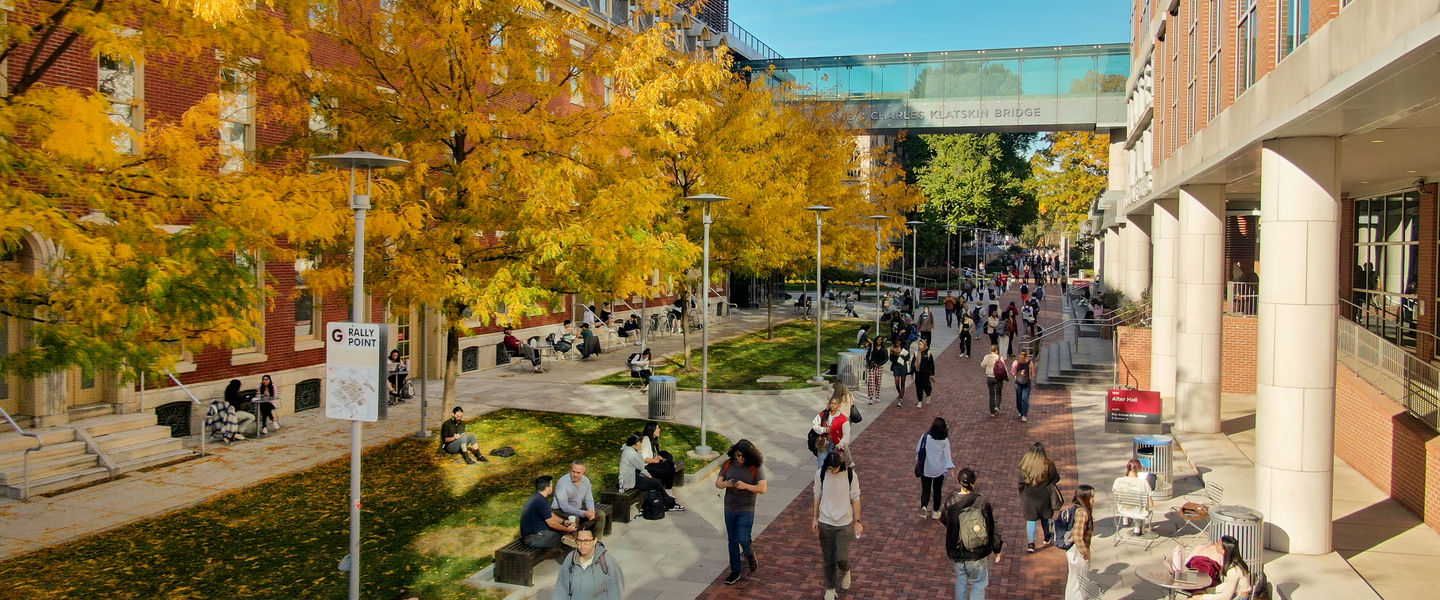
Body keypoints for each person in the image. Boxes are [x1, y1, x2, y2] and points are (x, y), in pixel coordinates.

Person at [944, 467, 1004, 600]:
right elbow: (991, 528)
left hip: (958, 551)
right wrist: (997, 549)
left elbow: (945, 520)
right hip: (978, 551)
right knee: (978, 584)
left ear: (960, 482)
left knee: (961, 581)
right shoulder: (982, 502)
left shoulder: (951, 501)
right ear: (973, 482)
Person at [812, 452, 862, 600]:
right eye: (831, 468)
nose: (833, 471)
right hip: (825, 522)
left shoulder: (850, 475)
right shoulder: (820, 474)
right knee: (828, 558)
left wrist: (857, 521)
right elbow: (816, 496)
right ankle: (830, 587)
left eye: (836, 468)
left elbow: (856, 498)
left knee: (841, 557)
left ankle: (845, 570)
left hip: (844, 523)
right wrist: (814, 518)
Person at [717, 439, 767, 585]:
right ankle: (735, 571)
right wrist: (728, 483)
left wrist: (745, 486)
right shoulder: (728, 464)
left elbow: (763, 488)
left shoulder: (755, 467)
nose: (740, 459)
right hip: (730, 507)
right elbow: (718, 483)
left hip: (746, 508)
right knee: (732, 540)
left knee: (743, 537)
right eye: (737, 455)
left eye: (743, 456)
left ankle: (750, 555)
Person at [554, 529, 624, 600]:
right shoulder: (571, 559)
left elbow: (616, 591)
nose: (582, 545)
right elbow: (561, 587)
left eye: (586, 541)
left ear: (594, 541)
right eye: (579, 541)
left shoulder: (607, 561)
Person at [619, 433, 683, 511]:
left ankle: (665, 502)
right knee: (655, 483)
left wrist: (647, 474)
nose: (642, 446)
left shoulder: (630, 450)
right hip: (629, 480)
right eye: (641, 443)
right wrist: (647, 474)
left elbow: (640, 467)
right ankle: (670, 503)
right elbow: (641, 465)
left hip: (634, 476)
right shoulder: (630, 454)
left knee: (655, 481)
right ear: (636, 443)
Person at [1018, 442, 1060, 553]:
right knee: (1045, 518)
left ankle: (1031, 544)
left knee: (1031, 520)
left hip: (1029, 497)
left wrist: (1022, 493)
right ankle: (1047, 536)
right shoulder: (1048, 465)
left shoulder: (1025, 466)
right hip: (1045, 496)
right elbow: (1056, 478)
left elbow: (1021, 483)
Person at [553, 460, 609, 540]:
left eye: (578, 472)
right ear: (570, 470)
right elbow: (564, 506)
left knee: (600, 514)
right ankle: (575, 541)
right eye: (573, 471)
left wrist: (591, 511)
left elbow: (589, 499)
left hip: (577, 509)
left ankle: (596, 541)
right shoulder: (562, 483)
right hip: (560, 510)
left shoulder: (586, 481)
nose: (575, 475)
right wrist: (584, 513)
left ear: (583, 472)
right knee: (574, 518)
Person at [522, 475, 579, 548]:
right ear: (547, 488)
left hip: (538, 534)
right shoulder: (541, 501)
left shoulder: (538, 497)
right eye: (551, 485)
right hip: (533, 538)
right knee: (568, 542)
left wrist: (564, 521)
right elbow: (551, 523)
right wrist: (567, 529)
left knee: (566, 535)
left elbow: (549, 514)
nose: (552, 488)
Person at [916, 417, 954, 519]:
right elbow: (947, 457)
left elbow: (918, 450)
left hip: (926, 468)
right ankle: (936, 511)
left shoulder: (926, 437)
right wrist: (950, 469)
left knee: (925, 489)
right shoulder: (945, 441)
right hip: (939, 469)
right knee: (937, 490)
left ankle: (924, 506)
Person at [1063, 485, 1095, 600]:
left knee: (1073, 580)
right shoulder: (1083, 513)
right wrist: (1084, 551)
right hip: (1077, 552)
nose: (1094, 500)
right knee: (1080, 582)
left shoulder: (1078, 509)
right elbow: (1077, 535)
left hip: (1073, 551)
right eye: (1092, 497)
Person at [1113, 459, 1156, 535]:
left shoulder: (1118, 481)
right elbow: (1151, 504)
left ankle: (1125, 518)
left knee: (1129, 501)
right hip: (1139, 512)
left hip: (1123, 509)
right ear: (1139, 470)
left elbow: (1117, 496)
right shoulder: (1143, 483)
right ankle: (1137, 527)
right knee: (1140, 507)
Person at [638, 421, 678, 489]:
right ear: (652, 430)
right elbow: (644, 458)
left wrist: (659, 458)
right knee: (668, 468)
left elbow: (654, 454)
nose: (659, 430)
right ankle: (668, 489)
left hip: (651, 463)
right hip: (645, 467)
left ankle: (670, 466)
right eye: (657, 428)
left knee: (666, 456)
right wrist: (655, 460)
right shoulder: (646, 440)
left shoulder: (652, 439)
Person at [980, 345, 1006, 417]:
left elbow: (982, 365)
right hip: (998, 377)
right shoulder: (999, 357)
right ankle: (997, 406)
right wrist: (1007, 377)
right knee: (998, 392)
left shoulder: (987, 357)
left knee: (991, 394)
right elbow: (1004, 367)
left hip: (990, 377)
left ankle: (992, 411)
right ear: (997, 351)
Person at [1012, 350, 1034, 422]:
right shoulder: (1030, 363)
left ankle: (1020, 411)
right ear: (1026, 355)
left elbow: (1013, 372)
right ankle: (1024, 415)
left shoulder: (1016, 363)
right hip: (1027, 382)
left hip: (1018, 382)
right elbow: (1032, 374)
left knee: (1019, 398)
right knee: (1025, 399)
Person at [864, 336, 887, 405]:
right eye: (878, 339)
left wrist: (880, 364)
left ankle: (877, 396)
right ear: (876, 340)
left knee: (878, 382)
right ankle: (870, 397)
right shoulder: (872, 347)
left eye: (880, 340)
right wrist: (869, 362)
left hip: (879, 367)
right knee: (871, 381)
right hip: (872, 367)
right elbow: (867, 356)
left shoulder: (884, 348)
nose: (879, 341)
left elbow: (886, 358)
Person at [913, 340, 936, 408]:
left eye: (921, 344)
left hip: (926, 373)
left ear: (924, 345)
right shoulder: (916, 353)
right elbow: (913, 363)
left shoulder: (928, 353)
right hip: (918, 372)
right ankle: (919, 401)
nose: (919, 345)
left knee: (926, 385)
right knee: (918, 387)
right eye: (919, 344)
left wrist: (932, 374)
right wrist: (912, 372)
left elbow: (931, 364)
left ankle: (928, 394)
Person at [889, 338, 911, 406]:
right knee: (897, 383)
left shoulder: (904, 348)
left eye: (898, 342)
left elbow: (907, 358)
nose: (897, 343)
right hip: (896, 367)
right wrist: (893, 354)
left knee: (902, 383)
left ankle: (901, 398)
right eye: (896, 342)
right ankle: (900, 393)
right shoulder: (892, 349)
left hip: (903, 366)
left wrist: (900, 355)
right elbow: (891, 359)